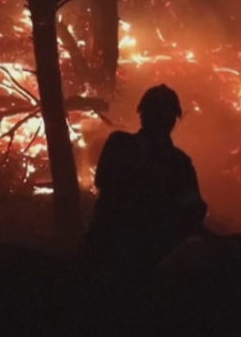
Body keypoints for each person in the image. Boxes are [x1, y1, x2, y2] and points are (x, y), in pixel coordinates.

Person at [82, 84, 207, 274]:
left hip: (122, 249)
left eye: (163, 111)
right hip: (126, 249)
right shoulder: (174, 161)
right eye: (156, 110)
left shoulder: (177, 161)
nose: (160, 116)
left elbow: (193, 208)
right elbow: (193, 209)